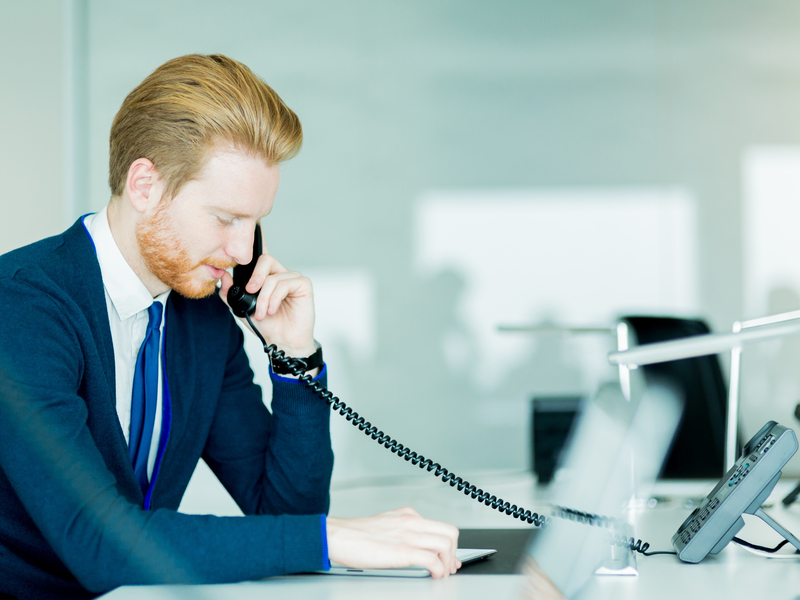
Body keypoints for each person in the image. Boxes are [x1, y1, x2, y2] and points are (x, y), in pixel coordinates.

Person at [0, 54, 459, 600]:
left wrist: (295, 358)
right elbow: (97, 543)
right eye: (225, 218)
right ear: (145, 185)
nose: (243, 251)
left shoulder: (201, 318)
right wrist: (331, 539)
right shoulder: (24, 306)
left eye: (256, 222)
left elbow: (285, 512)